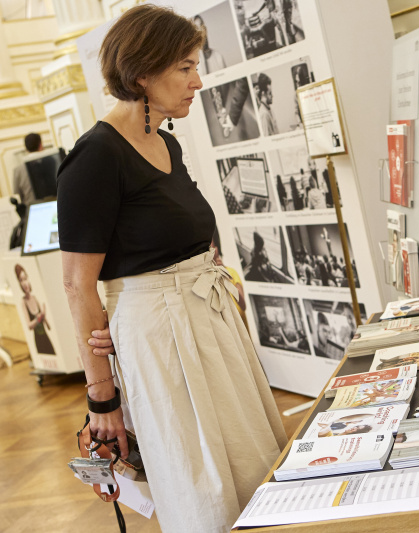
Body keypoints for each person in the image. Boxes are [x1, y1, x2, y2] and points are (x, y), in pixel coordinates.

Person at [56, 6, 287, 532]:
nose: (198, 81)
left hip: (206, 321)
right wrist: (103, 401)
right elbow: (76, 285)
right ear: (142, 72)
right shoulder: (95, 158)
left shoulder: (167, 143)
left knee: (249, 459)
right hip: (163, 338)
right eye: (185, 67)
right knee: (200, 477)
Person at [14, 264, 55, 355]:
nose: (24, 283)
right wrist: (39, 318)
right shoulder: (23, 302)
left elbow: (48, 326)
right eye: (21, 280)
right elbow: (29, 325)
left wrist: (44, 316)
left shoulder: (35, 298)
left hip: (46, 337)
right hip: (38, 340)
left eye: (25, 279)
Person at [12, 133, 43, 206]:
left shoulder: (18, 170)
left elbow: (17, 195)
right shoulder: (51, 161)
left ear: (26, 148)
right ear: (40, 145)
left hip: (30, 209)